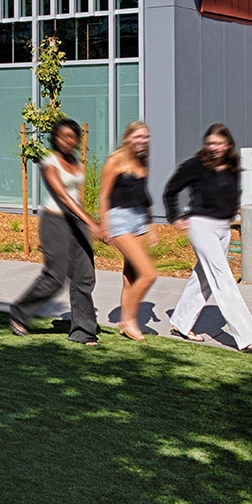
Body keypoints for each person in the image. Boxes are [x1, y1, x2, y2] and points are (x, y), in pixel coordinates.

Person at [163, 124, 252, 353]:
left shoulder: (232, 167)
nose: (214, 147)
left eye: (219, 143)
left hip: (223, 228)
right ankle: (248, 336)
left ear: (228, 145)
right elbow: (171, 190)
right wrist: (174, 217)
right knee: (223, 277)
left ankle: (181, 322)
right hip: (201, 226)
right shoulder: (195, 165)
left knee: (203, 276)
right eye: (210, 143)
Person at [9, 118, 100, 345]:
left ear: (77, 139)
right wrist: (91, 222)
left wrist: (87, 222)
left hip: (77, 223)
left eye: (71, 136)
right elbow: (63, 196)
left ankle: (83, 331)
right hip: (55, 223)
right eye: (61, 136)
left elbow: (76, 195)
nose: (66, 141)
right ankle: (20, 312)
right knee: (56, 276)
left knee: (84, 276)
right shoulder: (49, 162)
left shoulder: (76, 160)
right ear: (55, 139)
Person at [98, 120, 157, 341]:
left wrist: (150, 226)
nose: (142, 141)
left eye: (145, 137)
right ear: (127, 137)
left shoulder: (143, 161)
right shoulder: (114, 160)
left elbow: (143, 194)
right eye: (138, 136)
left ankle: (126, 322)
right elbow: (104, 195)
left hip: (139, 219)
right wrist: (104, 225)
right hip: (119, 219)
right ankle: (129, 320)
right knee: (149, 274)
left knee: (131, 275)